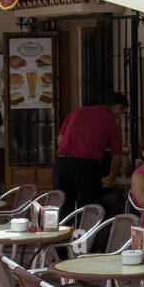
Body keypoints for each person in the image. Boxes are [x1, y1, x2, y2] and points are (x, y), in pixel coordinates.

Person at [53, 92, 128, 220]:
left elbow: (60, 141)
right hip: (86, 167)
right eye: (122, 113)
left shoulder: (77, 112)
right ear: (117, 107)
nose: (119, 117)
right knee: (88, 208)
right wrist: (112, 177)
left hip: (62, 163)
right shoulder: (111, 123)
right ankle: (86, 238)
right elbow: (116, 159)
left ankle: (64, 237)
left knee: (63, 207)